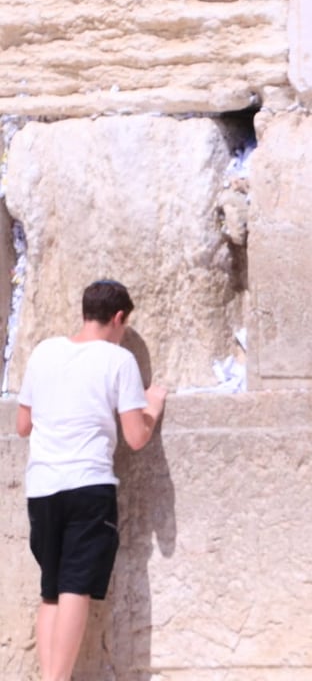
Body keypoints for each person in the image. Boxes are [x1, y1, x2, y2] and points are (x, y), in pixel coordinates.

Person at [16, 279, 168, 681]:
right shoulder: (118, 361)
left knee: (51, 590)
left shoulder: (44, 352)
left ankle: (49, 677)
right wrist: (152, 405)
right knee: (75, 588)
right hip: (88, 485)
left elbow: (22, 424)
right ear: (119, 318)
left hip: (42, 487)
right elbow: (136, 437)